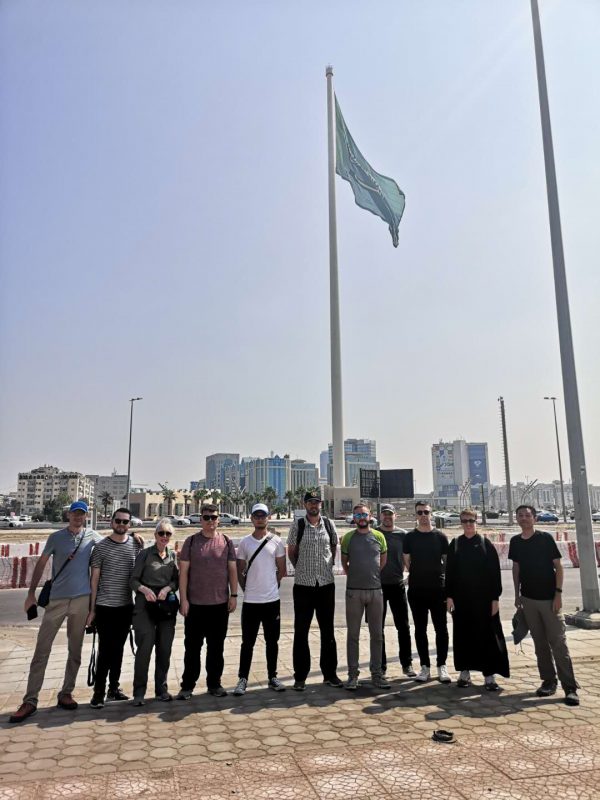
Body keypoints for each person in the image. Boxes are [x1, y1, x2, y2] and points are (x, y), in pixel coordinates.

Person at [9, 501, 104, 722]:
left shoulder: (92, 536)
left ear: (86, 516)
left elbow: (113, 544)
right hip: (57, 600)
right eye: (74, 513)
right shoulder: (56, 537)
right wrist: (31, 593)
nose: (78, 517)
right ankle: (30, 700)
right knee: (42, 650)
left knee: (75, 650)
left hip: (81, 600)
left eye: (81, 514)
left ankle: (66, 693)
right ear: (68, 514)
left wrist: (135, 537)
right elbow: (41, 564)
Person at [509, 504, 579, 706]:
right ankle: (548, 681)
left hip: (549, 600)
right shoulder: (515, 542)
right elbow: (516, 569)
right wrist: (517, 595)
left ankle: (570, 687)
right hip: (528, 600)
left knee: (558, 642)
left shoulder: (545, 538)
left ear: (534, 518)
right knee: (540, 644)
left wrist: (558, 594)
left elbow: (558, 567)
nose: (524, 518)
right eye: (520, 515)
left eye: (527, 515)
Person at [177, 503, 238, 698]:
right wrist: (183, 599)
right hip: (195, 606)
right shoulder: (191, 542)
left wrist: (234, 595)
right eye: (206, 517)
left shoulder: (226, 541)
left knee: (216, 648)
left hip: (219, 605)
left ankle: (214, 684)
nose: (210, 521)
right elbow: (184, 573)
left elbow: (232, 570)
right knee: (192, 648)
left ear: (218, 519)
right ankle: (187, 686)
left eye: (213, 517)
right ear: (200, 519)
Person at [445, 509, 510, 690]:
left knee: (488, 635)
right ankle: (464, 673)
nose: (468, 524)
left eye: (471, 521)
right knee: (463, 636)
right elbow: (449, 573)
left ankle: (489, 676)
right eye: (464, 521)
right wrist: (449, 596)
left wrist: (495, 598)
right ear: (460, 522)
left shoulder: (484, 543)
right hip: (461, 601)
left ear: (476, 522)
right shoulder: (455, 544)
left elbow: (494, 573)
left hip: (484, 600)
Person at [87, 508, 143, 708]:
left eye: (125, 522)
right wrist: (92, 610)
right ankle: (98, 692)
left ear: (130, 524)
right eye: (118, 521)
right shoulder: (101, 548)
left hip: (125, 607)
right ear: (111, 522)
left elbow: (138, 575)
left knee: (119, 649)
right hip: (104, 606)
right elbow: (94, 580)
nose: (121, 525)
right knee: (105, 650)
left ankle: (114, 688)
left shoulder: (135, 547)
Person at [287, 490, 342, 690]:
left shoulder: (329, 524)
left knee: (328, 631)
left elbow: (334, 546)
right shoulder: (298, 525)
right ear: (305, 505)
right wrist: (303, 568)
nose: (313, 505)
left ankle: (330, 673)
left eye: (316, 502)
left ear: (321, 505)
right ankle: (300, 676)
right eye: (310, 502)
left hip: (326, 584)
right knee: (301, 631)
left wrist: (324, 567)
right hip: (303, 585)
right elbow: (291, 552)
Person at [233, 503, 287, 696]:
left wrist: (272, 585)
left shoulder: (276, 541)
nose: (260, 519)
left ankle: (273, 676)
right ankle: (242, 679)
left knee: (273, 641)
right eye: (256, 515)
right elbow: (239, 570)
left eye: (263, 515)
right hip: (251, 602)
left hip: (272, 601)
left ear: (268, 517)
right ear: (251, 518)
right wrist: (247, 588)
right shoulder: (245, 542)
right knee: (247, 642)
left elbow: (282, 570)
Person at [130, 518, 179, 705]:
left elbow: (176, 580)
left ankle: (161, 689)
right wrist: (144, 590)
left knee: (164, 648)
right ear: (155, 535)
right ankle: (139, 692)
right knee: (145, 648)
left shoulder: (172, 556)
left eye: (168, 534)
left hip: (165, 606)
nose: (164, 537)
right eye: (161, 533)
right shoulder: (145, 554)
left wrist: (167, 589)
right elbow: (133, 580)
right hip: (145, 605)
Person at [341, 503, 389, 690]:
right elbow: (345, 563)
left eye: (364, 514)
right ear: (354, 518)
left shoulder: (379, 536)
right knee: (353, 635)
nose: (361, 518)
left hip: (376, 591)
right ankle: (353, 675)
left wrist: (373, 575)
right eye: (358, 515)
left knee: (377, 635)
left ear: (370, 516)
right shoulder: (348, 538)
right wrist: (352, 574)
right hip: (354, 592)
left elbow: (382, 561)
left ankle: (376, 674)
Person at [403, 501, 451, 684]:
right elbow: (406, 560)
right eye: (420, 512)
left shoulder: (440, 537)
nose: (423, 515)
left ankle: (442, 666)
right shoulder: (410, 537)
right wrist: (417, 573)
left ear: (431, 514)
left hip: (438, 590)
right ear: (416, 515)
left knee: (441, 629)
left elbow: (446, 562)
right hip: (416, 590)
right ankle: (425, 666)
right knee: (420, 629)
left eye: (426, 512)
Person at [376, 503, 415, 677]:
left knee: (404, 627)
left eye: (390, 514)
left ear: (395, 516)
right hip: (377, 587)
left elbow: (408, 559)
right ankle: (380, 666)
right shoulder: (374, 534)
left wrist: (412, 575)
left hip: (397, 585)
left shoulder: (403, 535)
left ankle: (407, 664)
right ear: (380, 516)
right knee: (378, 629)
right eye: (384, 514)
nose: (387, 517)